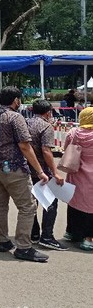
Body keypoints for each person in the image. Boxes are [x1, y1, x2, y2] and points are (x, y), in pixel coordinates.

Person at [0, 86, 50, 263]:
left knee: (0, 204)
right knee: (27, 206)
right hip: (13, 167)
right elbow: (24, 146)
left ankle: (4, 240)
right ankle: (24, 246)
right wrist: (40, 171)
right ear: (16, 100)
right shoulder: (16, 117)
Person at [26, 100, 67, 250]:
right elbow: (46, 151)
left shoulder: (26, 123)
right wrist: (55, 172)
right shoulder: (46, 126)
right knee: (50, 203)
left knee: (32, 202)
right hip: (43, 170)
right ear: (48, 112)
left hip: (27, 168)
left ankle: (34, 232)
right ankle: (47, 236)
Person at [63, 107, 93, 250]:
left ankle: (72, 232)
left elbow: (66, 149)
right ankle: (88, 239)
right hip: (91, 177)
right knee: (90, 206)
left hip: (76, 173)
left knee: (75, 202)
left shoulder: (73, 133)